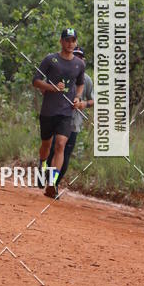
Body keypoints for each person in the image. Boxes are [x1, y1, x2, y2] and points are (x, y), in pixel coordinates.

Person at [32, 28, 85, 200]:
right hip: (49, 111)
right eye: (67, 40)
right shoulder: (50, 59)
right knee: (46, 146)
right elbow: (36, 81)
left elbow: (80, 83)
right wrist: (52, 88)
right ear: (61, 41)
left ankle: (52, 184)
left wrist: (77, 97)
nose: (70, 43)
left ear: (76, 42)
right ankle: (42, 164)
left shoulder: (79, 64)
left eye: (73, 40)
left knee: (61, 145)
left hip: (66, 112)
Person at [46, 46, 94, 187]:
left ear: (83, 61)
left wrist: (83, 104)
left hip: (74, 123)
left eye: (80, 57)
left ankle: (54, 184)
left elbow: (94, 100)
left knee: (64, 153)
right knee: (53, 150)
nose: (77, 59)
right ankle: (46, 177)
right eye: (74, 56)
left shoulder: (87, 80)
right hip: (57, 118)